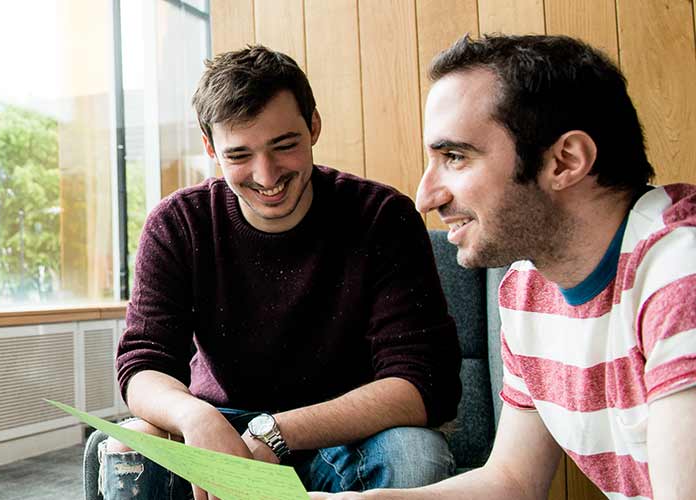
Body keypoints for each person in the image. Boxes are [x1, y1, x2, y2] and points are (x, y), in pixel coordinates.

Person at [312, 34, 696, 500]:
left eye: (454, 157)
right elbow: (511, 481)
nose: (426, 197)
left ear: (565, 161)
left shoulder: (681, 273)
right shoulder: (528, 287)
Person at [105, 46, 461, 499]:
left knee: (416, 454)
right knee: (131, 444)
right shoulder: (177, 224)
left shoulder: (382, 216)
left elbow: (424, 384)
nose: (266, 175)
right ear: (210, 147)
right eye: (239, 155)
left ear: (313, 126)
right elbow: (143, 365)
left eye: (284, 145)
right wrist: (197, 418)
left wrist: (274, 432)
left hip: (347, 430)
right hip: (222, 423)